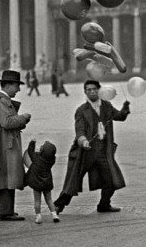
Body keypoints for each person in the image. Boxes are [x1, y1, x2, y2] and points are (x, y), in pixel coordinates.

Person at [54, 79, 130, 215]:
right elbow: (79, 129)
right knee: (74, 181)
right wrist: (83, 140)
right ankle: (59, 206)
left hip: (102, 151)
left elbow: (118, 116)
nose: (92, 92)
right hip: (85, 152)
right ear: (85, 92)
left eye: (94, 89)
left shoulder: (106, 106)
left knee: (111, 178)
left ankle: (104, 204)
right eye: (89, 90)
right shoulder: (81, 110)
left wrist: (124, 110)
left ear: (99, 90)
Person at [0, 70, 31, 221]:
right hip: (4, 145)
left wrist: (20, 121)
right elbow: (6, 122)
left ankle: (6, 210)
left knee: (8, 176)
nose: (18, 89)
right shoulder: (0, 101)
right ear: (8, 85)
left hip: (6, 143)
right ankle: (5, 211)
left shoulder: (3, 100)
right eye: (16, 86)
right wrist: (23, 118)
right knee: (6, 176)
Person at [24, 138, 60, 224]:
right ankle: (54, 214)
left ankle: (38, 216)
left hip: (37, 184)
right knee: (49, 200)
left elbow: (30, 151)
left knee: (37, 201)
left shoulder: (36, 158)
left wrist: (32, 142)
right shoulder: (51, 160)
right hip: (47, 183)